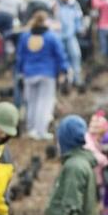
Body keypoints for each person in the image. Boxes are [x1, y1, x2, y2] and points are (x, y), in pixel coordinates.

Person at [16, 11, 69, 141]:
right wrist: (63, 70)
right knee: (45, 103)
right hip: (47, 74)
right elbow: (60, 55)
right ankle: (41, 130)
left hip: (29, 74)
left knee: (31, 102)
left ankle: (31, 129)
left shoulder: (25, 36)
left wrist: (20, 71)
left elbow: (20, 56)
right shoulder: (52, 37)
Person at [56, 0, 85, 88]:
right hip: (58, 36)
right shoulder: (56, 4)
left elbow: (78, 17)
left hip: (70, 34)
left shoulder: (74, 4)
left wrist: (80, 28)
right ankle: (65, 80)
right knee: (62, 58)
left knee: (76, 55)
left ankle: (77, 79)